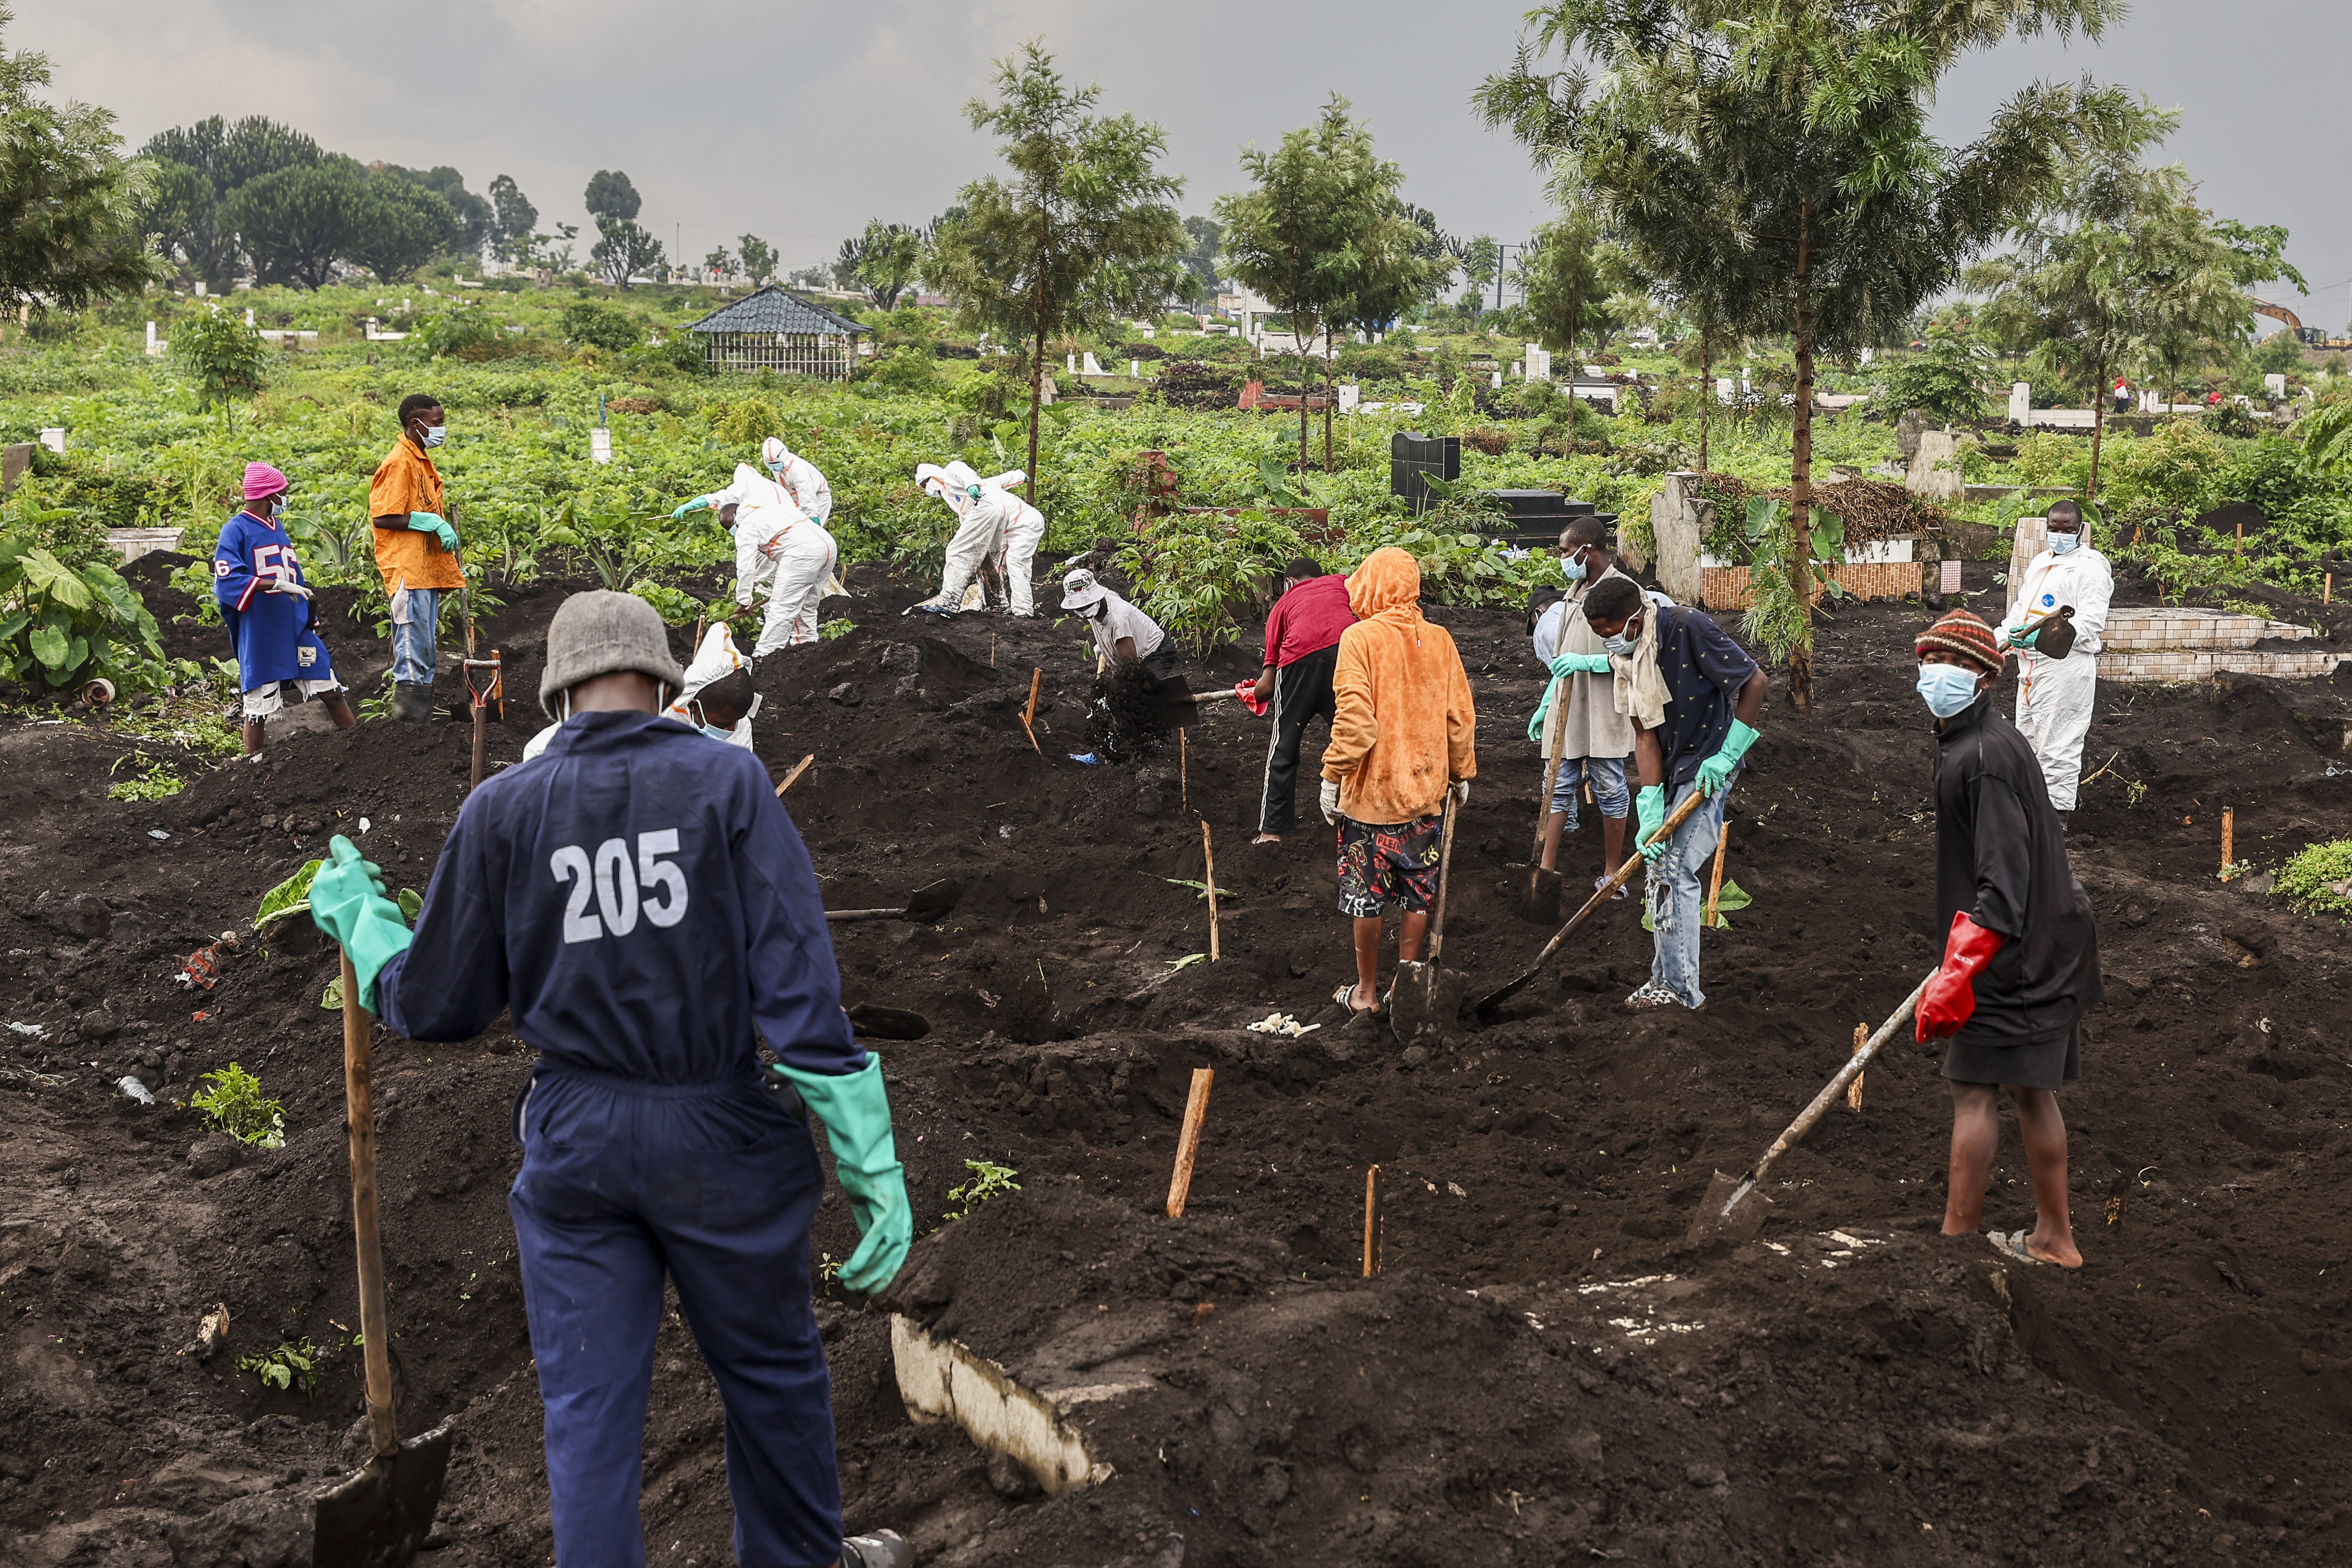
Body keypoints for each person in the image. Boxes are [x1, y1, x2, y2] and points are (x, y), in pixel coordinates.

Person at [305, 590, 912, 1568]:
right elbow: (798, 983)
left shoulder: (501, 808)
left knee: (587, 1407)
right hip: (717, 1128)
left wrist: (367, 925)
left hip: (578, 1140)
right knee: (770, 1374)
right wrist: (867, 1160)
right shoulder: (729, 784)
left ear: (556, 696)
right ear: (667, 681)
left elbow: (441, 1002)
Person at [1913, 609, 2099, 1270]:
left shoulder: (1983, 757)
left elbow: (2003, 885)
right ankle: (2054, 1237)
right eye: (1935, 660)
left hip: (2012, 953)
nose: (1944, 674)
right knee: (2029, 1090)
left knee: (1974, 1090)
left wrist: (1956, 972)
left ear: (1987, 680)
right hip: (2039, 940)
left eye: (1961, 665)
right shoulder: (1977, 744)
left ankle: (1955, 1250)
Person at [1579, 576, 1764, 1011]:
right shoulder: (1629, 662)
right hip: (1671, 766)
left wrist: (1727, 755)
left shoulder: (1685, 626)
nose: (1609, 644)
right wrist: (1649, 804)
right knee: (1658, 867)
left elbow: (1754, 682)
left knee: (1677, 867)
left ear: (1635, 617)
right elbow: (1644, 735)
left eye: (1611, 633)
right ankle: (1663, 977)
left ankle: (1682, 991)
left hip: (1708, 763)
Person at [1317, 547, 1476, 1017]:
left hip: (1372, 798)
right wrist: (1460, 772)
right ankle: (1404, 988)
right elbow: (1459, 718)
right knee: (1417, 892)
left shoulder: (1359, 639)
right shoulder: (1440, 639)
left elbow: (1356, 724)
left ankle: (1366, 992)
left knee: (1366, 899)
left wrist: (1332, 774)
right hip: (1425, 794)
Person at [1528, 520, 1639, 896]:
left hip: (1606, 709)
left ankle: (1612, 873)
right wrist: (1546, 703)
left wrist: (1587, 664)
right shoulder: (1572, 597)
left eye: (1564, 551)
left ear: (1587, 549)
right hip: (1569, 708)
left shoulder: (1625, 594)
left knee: (1609, 786)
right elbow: (1561, 659)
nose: (1562, 558)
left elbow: (1639, 658)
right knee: (1556, 787)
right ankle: (1544, 872)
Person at [214, 461, 356, 755]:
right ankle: (252, 765)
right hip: (261, 629)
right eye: (282, 494)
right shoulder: (235, 531)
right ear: (270, 496)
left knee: (329, 685)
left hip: (293, 625)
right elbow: (228, 579)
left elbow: (294, 575)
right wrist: (275, 585)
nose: (284, 499)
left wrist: (307, 614)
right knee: (258, 704)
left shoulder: (278, 528)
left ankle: (359, 747)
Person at [1995, 500, 2111, 818]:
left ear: (2080, 530)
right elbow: (2021, 609)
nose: (2060, 534)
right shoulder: (2041, 562)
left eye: (2067, 529)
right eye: (2054, 529)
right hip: (2031, 666)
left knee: (2058, 741)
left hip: (2064, 668)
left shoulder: (2090, 570)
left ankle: (2057, 816)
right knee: (2028, 737)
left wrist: (2042, 636)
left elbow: (2089, 625)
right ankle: (2030, 809)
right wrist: (2001, 637)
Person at [675, 463, 840, 655]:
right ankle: (806, 645)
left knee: (782, 608)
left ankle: (765, 655)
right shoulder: (771, 509)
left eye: (730, 528)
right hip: (827, 544)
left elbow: (746, 567)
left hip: (802, 553)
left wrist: (744, 601)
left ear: (734, 520)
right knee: (808, 603)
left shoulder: (746, 526)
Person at [368, 393, 463, 723]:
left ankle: (420, 723)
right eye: (437, 423)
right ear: (415, 423)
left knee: (424, 648)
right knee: (411, 651)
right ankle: (409, 727)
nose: (442, 428)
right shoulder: (400, 462)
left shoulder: (419, 460)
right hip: (409, 571)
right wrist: (433, 522)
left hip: (424, 570)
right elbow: (383, 516)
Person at [1246, 557, 1354, 844]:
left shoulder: (1282, 605)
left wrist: (1249, 693)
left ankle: (1271, 832)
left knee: (1285, 745)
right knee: (1356, 736)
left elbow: (1267, 686)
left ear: (1289, 583)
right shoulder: (1342, 582)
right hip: (1349, 655)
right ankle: (1366, 819)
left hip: (1298, 665)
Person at [910, 462, 1009, 617]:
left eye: (924, 484)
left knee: (956, 552)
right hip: (997, 511)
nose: (925, 489)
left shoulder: (949, 473)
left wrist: (971, 484)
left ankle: (948, 603)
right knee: (987, 561)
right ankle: (999, 606)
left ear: (931, 477)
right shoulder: (947, 493)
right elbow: (967, 516)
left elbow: (961, 470)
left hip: (986, 507)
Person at [1062, 566, 1179, 679]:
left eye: (1086, 605)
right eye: (1080, 607)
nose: (1083, 610)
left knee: (1147, 694)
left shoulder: (1118, 619)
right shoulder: (1096, 606)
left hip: (1156, 654)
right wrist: (1105, 645)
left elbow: (1131, 667)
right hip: (1134, 651)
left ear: (1096, 597)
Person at [980, 469, 1047, 617]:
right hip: (1006, 528)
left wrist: (1021, 476)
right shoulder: (970, 498)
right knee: (995, 565)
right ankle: (997, 606)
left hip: (1027, 523)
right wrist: (1020, 476)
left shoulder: (983, 486)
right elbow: (1005, 478)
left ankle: (1023, 611)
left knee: (1016, 562)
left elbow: (1004, 479)